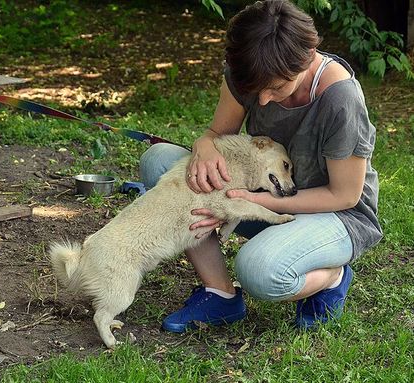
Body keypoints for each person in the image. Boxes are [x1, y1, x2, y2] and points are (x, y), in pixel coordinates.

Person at [139, 0, 382, 331]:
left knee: (258, 271)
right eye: (256, 90)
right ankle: (220, 295)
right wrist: (205, 145)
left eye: (277, 88)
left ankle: (332, 277)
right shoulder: (251, 71)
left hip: (336, 214)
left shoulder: (341, 100)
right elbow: (216, 135)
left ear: (309, 55)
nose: (263, 100)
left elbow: (344, 195)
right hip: (266, 197)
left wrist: (248, 203)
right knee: (160, 162)